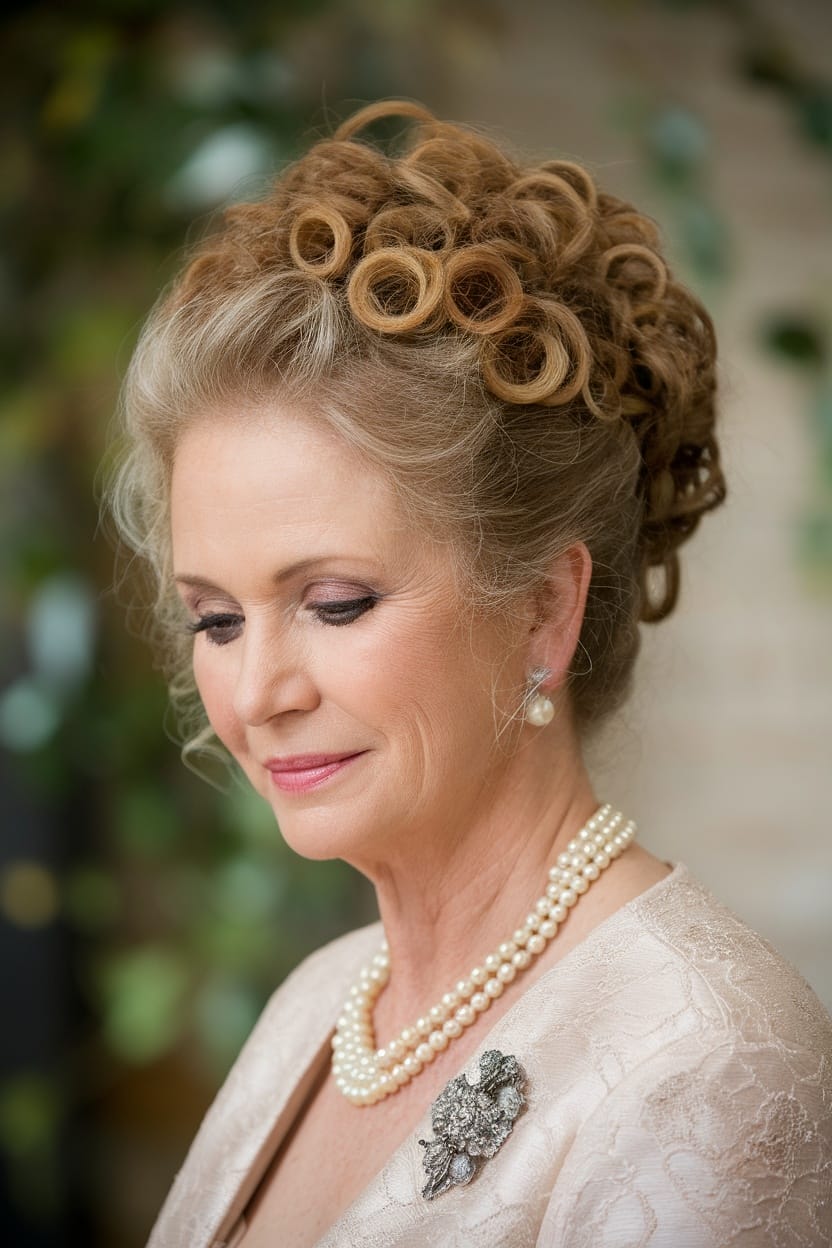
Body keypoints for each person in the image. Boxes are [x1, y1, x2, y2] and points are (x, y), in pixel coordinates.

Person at [107, 100, 832, 1247]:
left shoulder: (708, 1065)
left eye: (334, 603)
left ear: (543, 608)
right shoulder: (322, 1006)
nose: (255, 695)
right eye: (217, 619)